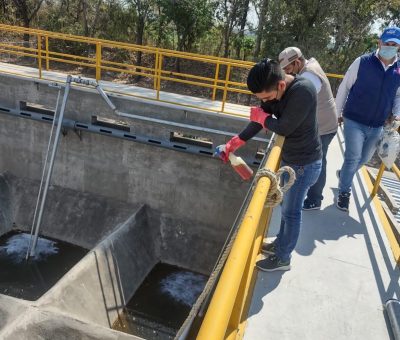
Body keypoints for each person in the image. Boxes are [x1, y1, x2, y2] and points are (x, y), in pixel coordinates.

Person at [217, 59, 322, 271]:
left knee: (292, 213)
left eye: (267, 98)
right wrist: (233, 144)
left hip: (305, 164)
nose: (265, 101)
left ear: (281, 85)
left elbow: (283, 127)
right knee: (286, 210)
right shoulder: (274, 89)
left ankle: (283, 258)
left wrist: (263, 118)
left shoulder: (303, 91)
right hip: (292, 160)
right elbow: (260, 120)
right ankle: (280, 245)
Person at [335, 27, 400, 212]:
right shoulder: (362, 62)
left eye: (394, 44)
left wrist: (397, 113)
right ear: (379, 42)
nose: (390, 47)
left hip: (378, 124)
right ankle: (344, 192)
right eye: (387, 43)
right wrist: (337, 113)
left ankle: (344, 175)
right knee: (353, 157)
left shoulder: (398, 70)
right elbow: (344, 88)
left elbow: (397, 96)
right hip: (354, 119)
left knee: (363, 159)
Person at [279, 47, 338, 210]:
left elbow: (298, 101)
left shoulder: (309, 75)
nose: (287, 72)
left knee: (318, 160)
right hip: (323, 122)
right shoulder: (308, 66)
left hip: (324, 126)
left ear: (297, 62)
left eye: (288, 68)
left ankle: (314, 199)